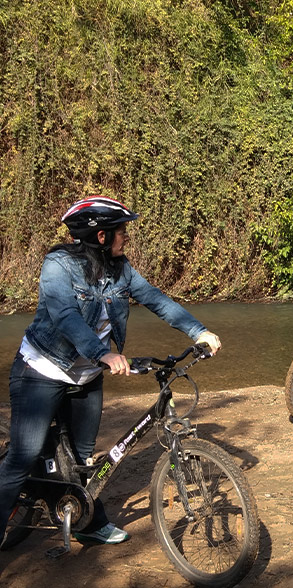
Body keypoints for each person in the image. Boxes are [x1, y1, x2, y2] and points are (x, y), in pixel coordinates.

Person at [0, 196, 221, 547]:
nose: (126, 238)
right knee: (22, 459)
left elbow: (156, 299)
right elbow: (66, 318)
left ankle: (87, 521)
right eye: (121, 232)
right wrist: (103, 353)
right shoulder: (58, 265)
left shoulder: (121, 270)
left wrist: (199, 331)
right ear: (100, 236)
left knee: (84, 459)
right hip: (41, 372)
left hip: (87, 378)